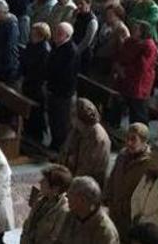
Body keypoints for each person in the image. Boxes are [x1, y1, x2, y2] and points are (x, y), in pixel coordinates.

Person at [105, 122, 153, 235]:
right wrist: (107, 198)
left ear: (144, 141)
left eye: (133, 139)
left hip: (130, 216)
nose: (128, 142)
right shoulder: (123, 154)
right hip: (114, 210)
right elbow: (112, 178)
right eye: (127, 138)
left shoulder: (149, 164)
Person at [113, 21, 157, 126]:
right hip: (124, 78)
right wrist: (118, 67)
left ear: (143, 32)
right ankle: (113, 126)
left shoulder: (149, 46)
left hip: (139, 81)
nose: (133, 31)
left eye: (136, 29)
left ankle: (139, 132)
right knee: (116, 102)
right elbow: (121, 56)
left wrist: (125, 71)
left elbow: (143, 67)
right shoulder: (129, 42)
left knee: (138, 111)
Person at [46, 22, 78, 152]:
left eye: (60, 33)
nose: (55, 35)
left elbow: (66, 73)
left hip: (63, 92)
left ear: (67, 36)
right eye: (56, 31)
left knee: (61, 121)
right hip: (53, 89)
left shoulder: (71, 51)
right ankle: (54, 143)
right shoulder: (56, 46)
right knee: (53, 119)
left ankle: (60, 147)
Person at [62, 98, 111, 182]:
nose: (71, 118)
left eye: (74, 115)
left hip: (88, 181)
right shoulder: (77, 129)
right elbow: (65, 151)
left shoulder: (98, 138)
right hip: (73, 173)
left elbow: (88, 167)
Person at [21, 163, 72, 244]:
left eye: (44, 181)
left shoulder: (64, 211)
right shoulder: (40, 199)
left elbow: (54, 240)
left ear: (55, 189)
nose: (40, 182)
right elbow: (27, 226)